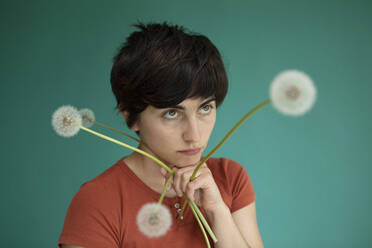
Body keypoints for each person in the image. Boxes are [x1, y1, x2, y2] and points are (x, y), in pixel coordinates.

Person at [58, 21, 264, 248]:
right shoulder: (98, 201)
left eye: (205, 108)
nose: (194, 135)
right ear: (130, 117)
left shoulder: (229, 178)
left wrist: (217, 211)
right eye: (172, 113)